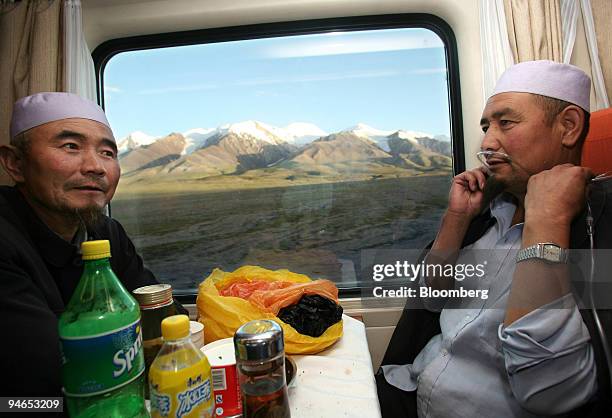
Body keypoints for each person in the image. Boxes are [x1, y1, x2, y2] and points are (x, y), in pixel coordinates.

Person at [377, 60, 612, 417]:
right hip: (409, 389)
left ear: (568, 127)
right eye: (486, 126)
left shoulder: (600, 228)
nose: (487, 143)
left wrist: (547, 221)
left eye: (506, 122)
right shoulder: (488, 212)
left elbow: (548, 392)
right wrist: (456, 219)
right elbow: (431, 299)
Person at [0, 92, 184, 400]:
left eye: (108, 153)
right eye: (71, 146)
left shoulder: (104, 231)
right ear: (15, 163)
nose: (95, 167)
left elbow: (164, 316)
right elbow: (52, 375)